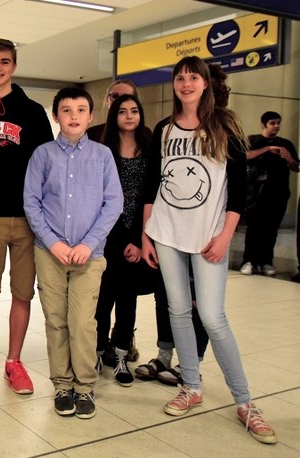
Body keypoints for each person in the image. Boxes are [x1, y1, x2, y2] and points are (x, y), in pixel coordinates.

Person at [141, 56, 277, 444]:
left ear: (205, 84)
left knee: (214, 317)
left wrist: (225, 237)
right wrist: (147, 234)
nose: (185, 84)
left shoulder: (225, 127)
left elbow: (238, 189)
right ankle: (192, 387)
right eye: (179, 78)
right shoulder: (165, 130)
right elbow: (153, 184)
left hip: (208, 237)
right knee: (178, 310)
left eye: (192, 78)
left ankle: (246, 402)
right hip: (166, 231)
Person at [24, 87, 123, 419]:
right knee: (55, 321)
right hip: (49, 252)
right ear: (56, 116)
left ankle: (85, 387)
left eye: (81, 110)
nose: (74, 116)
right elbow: (31, 202)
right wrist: (53, 242)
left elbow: (114, 204)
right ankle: (62, 384)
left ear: (91, 116)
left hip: (89, 255)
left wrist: (87, 244)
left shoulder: (103, 155)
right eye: (66, 110)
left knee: (81, 321)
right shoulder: (42, 155)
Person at [0, 38, 53, 394]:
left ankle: (14, 363)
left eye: (4, 61)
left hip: (27, 218)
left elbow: (47, 165)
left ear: (14, 66)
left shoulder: (32, 111)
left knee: (22, 294)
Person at [93, 94, 150, 387]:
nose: (129, 116)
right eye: (123, 111)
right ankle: (98, 352)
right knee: (102, 300)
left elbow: (152, 198)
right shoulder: (103, 151)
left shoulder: (150, 150)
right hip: (106, 237)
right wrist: (114, 239)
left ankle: (122, 356)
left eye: (134, 111)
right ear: (114, 116)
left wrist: (140, 241)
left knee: (128, 300)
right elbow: (99, 199)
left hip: (137, 237)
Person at [240, 111, 299, 277]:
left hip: (278, 193)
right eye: (273, 123)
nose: (276, 126)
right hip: (255, 193)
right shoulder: (253, 140)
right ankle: (249, 260)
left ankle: (266, 261)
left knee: (271, 230)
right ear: (263, 124)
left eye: (278, 123)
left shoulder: (285, 144)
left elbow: (296, 167)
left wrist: (288, 158)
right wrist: (266, 149)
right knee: (254, 229)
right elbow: (243, 156)